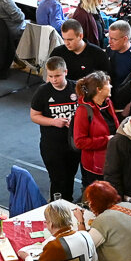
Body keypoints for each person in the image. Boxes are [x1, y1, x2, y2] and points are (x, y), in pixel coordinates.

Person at [29, 58, 82, 202]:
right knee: (58, 179)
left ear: (65, 72)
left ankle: (68, 203)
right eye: (50, 76)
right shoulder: (43, 91)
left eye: (57, 76)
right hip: (52, 145)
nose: (53, 80)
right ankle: (56, 206)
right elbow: (34, 116)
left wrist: (75, 122)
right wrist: (53, 121)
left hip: (73, 143)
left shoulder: (76, 88)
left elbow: (87, 112)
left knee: (70, 177)